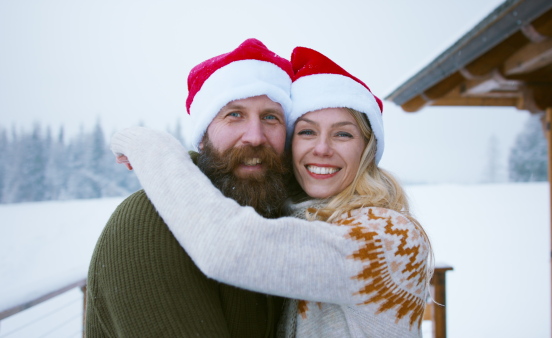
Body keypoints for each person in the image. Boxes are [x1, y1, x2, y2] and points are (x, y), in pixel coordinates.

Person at [111, 46, 433, 337]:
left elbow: (229, 248)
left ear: (367, 149)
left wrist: (157, 151)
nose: (321, 149)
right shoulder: (299, 219)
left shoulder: (388, 237)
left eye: (343, 134)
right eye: (307, 131)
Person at [85, 38, 294, 337]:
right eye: (234, 114)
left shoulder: (283, 214)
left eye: (271, 117)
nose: (255, 136)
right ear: (203, 135)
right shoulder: (149, 220)